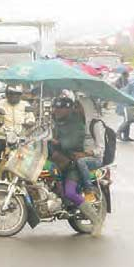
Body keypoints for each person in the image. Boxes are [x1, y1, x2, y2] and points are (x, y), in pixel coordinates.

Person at [50, 98, 104, 236]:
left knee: (70, 192)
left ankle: (96, 220)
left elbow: (70, 143)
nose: (55, 110)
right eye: (55, 108)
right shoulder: (59, 122)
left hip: (73, 163)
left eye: (59, 108)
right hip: (61, 161)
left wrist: (56, 141)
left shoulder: (78, 124)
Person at [0, 85, 35, 174]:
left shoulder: (25, 105)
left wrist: (28, 123)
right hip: (3, 136)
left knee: (30, 157)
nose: (14, 97)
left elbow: (31, 119)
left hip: (20, 137)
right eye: (12, 94)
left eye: (17, 94)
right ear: (7, 95)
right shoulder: (0, 105)